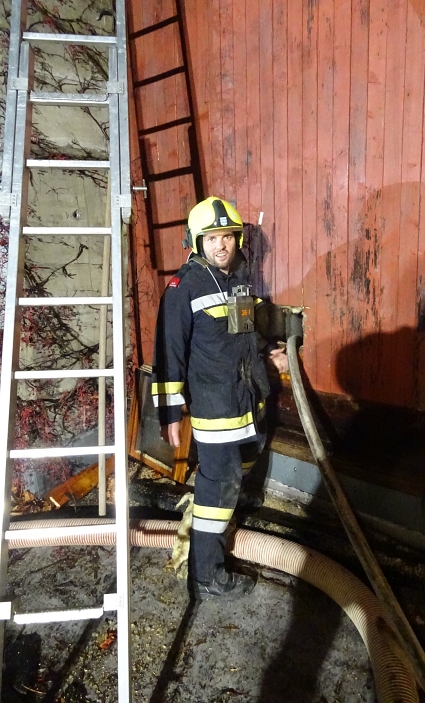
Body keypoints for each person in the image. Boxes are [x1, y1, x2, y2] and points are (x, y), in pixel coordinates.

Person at [152, 196, 288, 600]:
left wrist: (268, 351)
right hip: (216, 408)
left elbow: (242, 333)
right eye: (211, 239)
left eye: (226, 236)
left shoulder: (238, 280)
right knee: (219, 484)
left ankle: (215, 519)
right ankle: (206, 575)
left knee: (243, 463)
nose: (220, 246)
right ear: (197, 242)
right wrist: (170, 412)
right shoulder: (183, 288)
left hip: (247, 400)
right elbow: (168, 353)